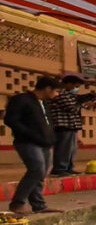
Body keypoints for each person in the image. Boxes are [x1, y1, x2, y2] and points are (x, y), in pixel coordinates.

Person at [3, 76, 62, 213]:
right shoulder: (22, 100)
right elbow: (11, 120)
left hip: (45, 143)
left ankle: (39, 205)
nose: (57, 94)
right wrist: (31, 134)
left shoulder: (43, 103)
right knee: (37, 169)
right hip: (27, 142)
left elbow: (47, 123)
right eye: (56, 91)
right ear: (48, 89)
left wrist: (51, 138)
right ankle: (17, 203)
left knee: (41, 174)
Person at [47, 74, 96, 176]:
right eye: (75, 86)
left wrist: (90, 98)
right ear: (68, 84)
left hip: (71, 125)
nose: (76, 89)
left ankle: (68, 167)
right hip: (63, 125)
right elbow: (71, 107)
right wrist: (82, 104)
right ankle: (59, 168)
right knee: (63, 148)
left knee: (71, 149)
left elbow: (78, 101)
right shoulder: (60, 93)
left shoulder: (69, 95)